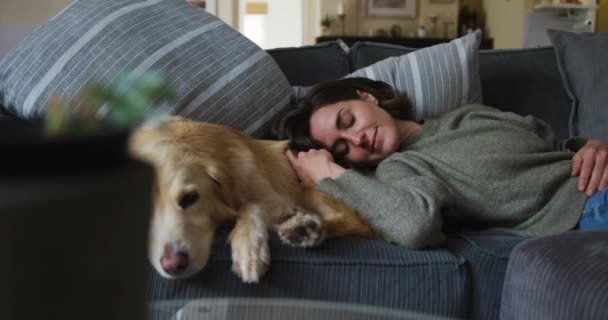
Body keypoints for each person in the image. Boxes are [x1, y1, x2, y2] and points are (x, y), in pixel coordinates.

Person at [276, 77, 608, 249]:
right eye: (342, 149)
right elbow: (413, 226)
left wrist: (588, 146)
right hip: (588, 208)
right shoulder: (401, 167)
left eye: (348, 121)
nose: (357, 140)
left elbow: (550, 143)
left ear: (366, 96)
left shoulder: (465, 115)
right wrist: (329, 174)